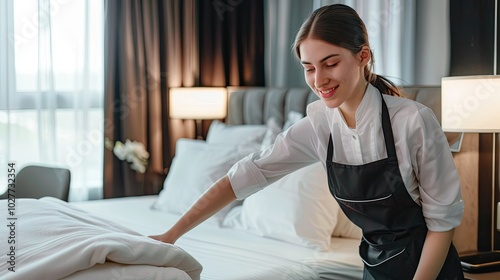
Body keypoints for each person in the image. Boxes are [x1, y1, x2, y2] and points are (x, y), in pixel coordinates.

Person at [151, 4, 464, 280]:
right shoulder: (317, 127)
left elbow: (441, 225)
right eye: (309, 68)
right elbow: (241, 178)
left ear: (362, 56)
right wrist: (171, 235)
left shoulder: (412, 120)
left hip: (431, 270)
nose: (319, 80)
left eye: (330, 64)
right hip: (374, 267)